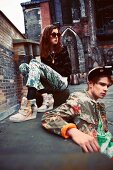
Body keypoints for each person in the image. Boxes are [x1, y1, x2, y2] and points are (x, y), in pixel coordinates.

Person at [42, 66, 113, 159]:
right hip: (95, 155)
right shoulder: (79, 99)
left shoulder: (100, 106)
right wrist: (73, 132)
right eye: (102, 84)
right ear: (91, 84)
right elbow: (48, 117)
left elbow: (104, 132)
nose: (106, 89)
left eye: (107, 86)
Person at [9, 24, 72, 122]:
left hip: (61, 83)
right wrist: (46, 70)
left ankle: (29, 106)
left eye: (58, 35)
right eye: (54, 34)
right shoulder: (44, 53)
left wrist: (49, 69)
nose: (57, 37)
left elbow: (68, 71)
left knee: (34, 62)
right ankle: (46, 98)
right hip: (49, 85)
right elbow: (42, 74)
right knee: (24, 67)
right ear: (47, 36)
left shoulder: (63, 50)